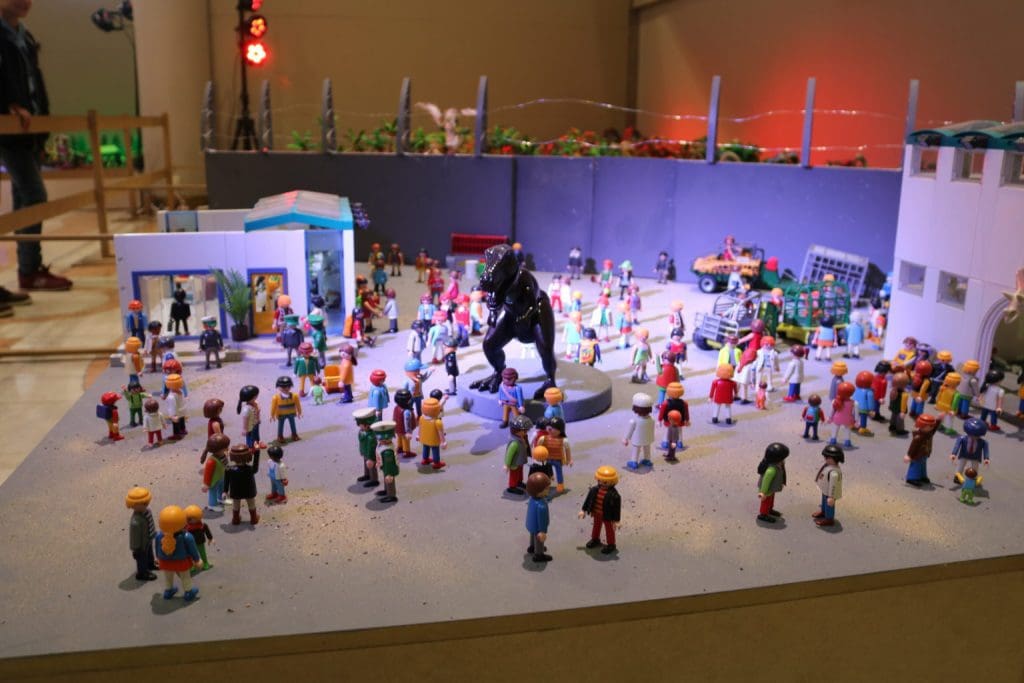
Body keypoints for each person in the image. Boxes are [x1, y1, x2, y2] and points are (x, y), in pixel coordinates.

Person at [0, 0, 73, 308]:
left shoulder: (25, 37)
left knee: (24, 196)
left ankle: (28, 270)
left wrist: (43, 126)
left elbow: (35, 83)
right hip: (8, 129)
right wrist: (8, 105)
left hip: (28, 129)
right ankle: (29, 270)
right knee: (34, 194)